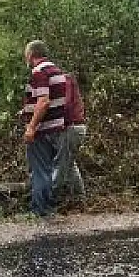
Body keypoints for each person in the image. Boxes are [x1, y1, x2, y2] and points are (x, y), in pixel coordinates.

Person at [21, 40, 67, 218]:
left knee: (39, 170)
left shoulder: (39, 73)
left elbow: (44, 101)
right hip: (56, 126)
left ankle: (40, 209)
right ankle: (48, 205)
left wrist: (31, 127)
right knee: (48, 169)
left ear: (31, 55)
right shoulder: (57, 72)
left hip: (42, 129)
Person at [53, 71, 87, 201]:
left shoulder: (64, 80)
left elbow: (64, 104)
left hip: (71, 128)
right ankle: (80, 198)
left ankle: (49, 199)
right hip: (75, 127)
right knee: (69, 164)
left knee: (61, 165)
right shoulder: (66, 81)